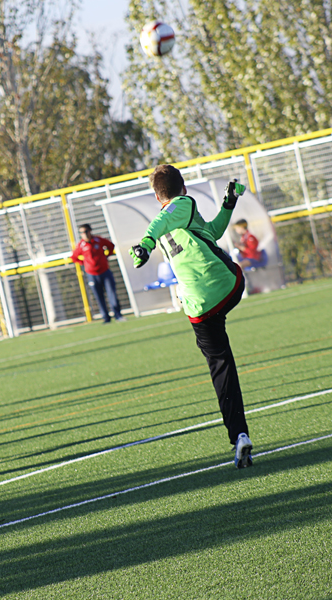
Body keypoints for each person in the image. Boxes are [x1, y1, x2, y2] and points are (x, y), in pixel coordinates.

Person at [130, 165, 254, 468]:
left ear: (157, 194)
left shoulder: (178, 207)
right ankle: (240, 436)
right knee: (222, 359)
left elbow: (162, 219)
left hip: (200, 304)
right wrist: (229, 203)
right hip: (229, 286)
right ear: (182, 186)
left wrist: (146, 244)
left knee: (219, 365)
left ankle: (238, 433)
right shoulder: (184, 209)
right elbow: (211, 232)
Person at [69, 224, 126, 323]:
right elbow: (74, 257)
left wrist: (106, 256)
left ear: (90, 231)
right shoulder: (81, 245)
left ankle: (118, 315)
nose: (85, 234)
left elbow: (111, 246)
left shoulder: (98, 240)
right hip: (92, 275)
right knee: (99, 297)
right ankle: (106, 318)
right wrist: (84, 264)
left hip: (105, 272)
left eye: (86, 231)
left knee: (111, 293)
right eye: (82, 232)